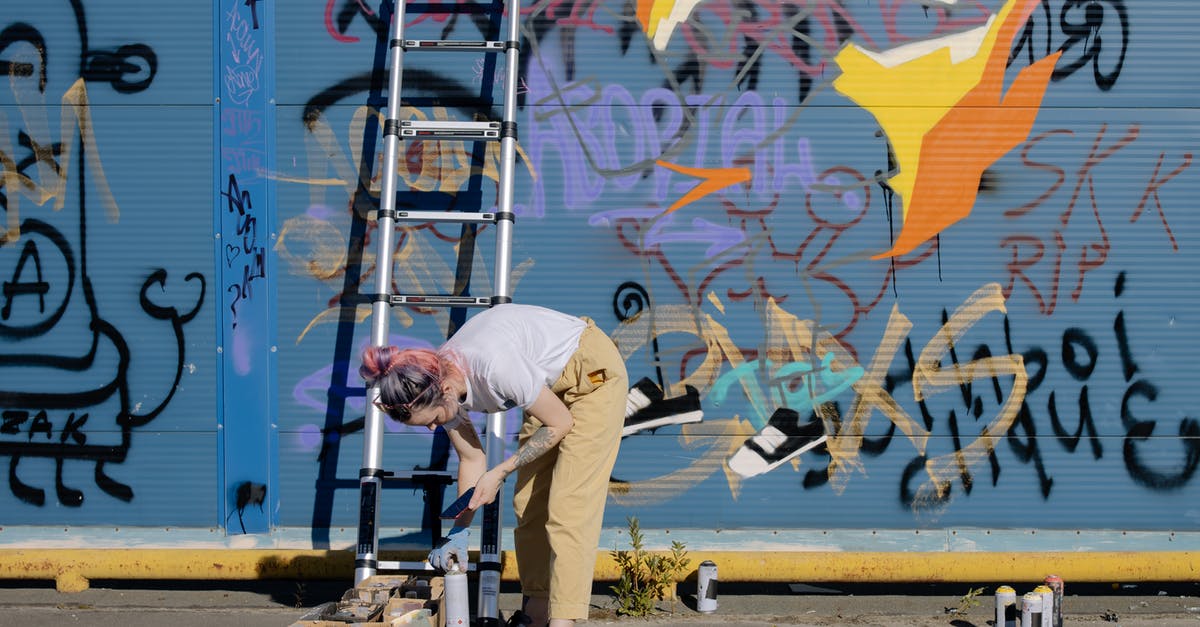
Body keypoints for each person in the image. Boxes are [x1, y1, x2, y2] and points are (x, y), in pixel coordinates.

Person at [359, 303, 627, 627]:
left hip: (591, 378)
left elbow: (560, 423)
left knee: (568, 508)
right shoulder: (440, 377)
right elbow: (472, 458)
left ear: (444, 392)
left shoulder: (494, 367)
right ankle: (537, 616)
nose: (433, 429)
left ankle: (563, 622)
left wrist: (501, 472)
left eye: (434, 421)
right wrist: (459, 531)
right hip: (548, 390)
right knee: (528, 502)